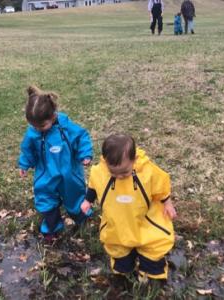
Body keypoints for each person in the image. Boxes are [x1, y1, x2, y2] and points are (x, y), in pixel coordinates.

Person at [82, 133, 177, 281]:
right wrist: (88, 200)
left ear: (134, 160)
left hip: (144, 222)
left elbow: (161, 185)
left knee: (152, 248)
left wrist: (168, 203)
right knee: (119, 251)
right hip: (117, 223)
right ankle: (124, 273)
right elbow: (94, 184)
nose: (119, 176)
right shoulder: (101, 171)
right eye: (113, 172)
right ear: (105, 161)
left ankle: (152, 276)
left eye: (124, 172)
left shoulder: (147, 172)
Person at [18, 85, 93, 242]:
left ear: (53, 117)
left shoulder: (66, 127)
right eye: (34, 126)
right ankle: (51, 228)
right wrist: (24, 164)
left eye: (42, 126)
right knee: (46, 200)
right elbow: (28, 150)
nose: (38, 129)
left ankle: (82, 220)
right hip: (46, 175)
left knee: (75, 198)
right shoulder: (33, 133)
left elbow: (81, 137)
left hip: (69, 173)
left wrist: (85, 154)